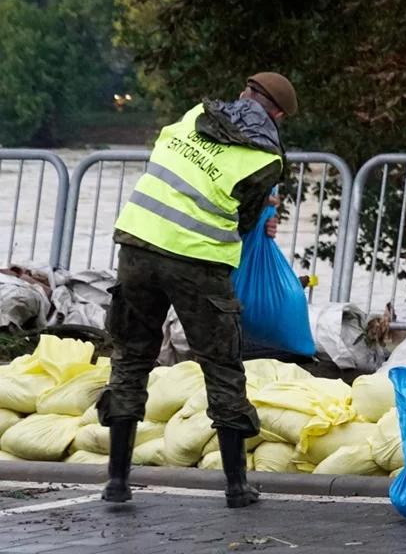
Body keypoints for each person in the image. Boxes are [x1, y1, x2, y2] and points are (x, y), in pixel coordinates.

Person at [100, 72, 298, 508]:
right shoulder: (267, 159)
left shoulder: (194, 115)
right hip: (197, 261)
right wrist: (264, 211)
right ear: (278, 115)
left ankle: (116, 481)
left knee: (131, 357)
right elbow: (244, 223)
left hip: (136, 245)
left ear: (245, 93)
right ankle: (237, 486)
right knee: (221, 365)